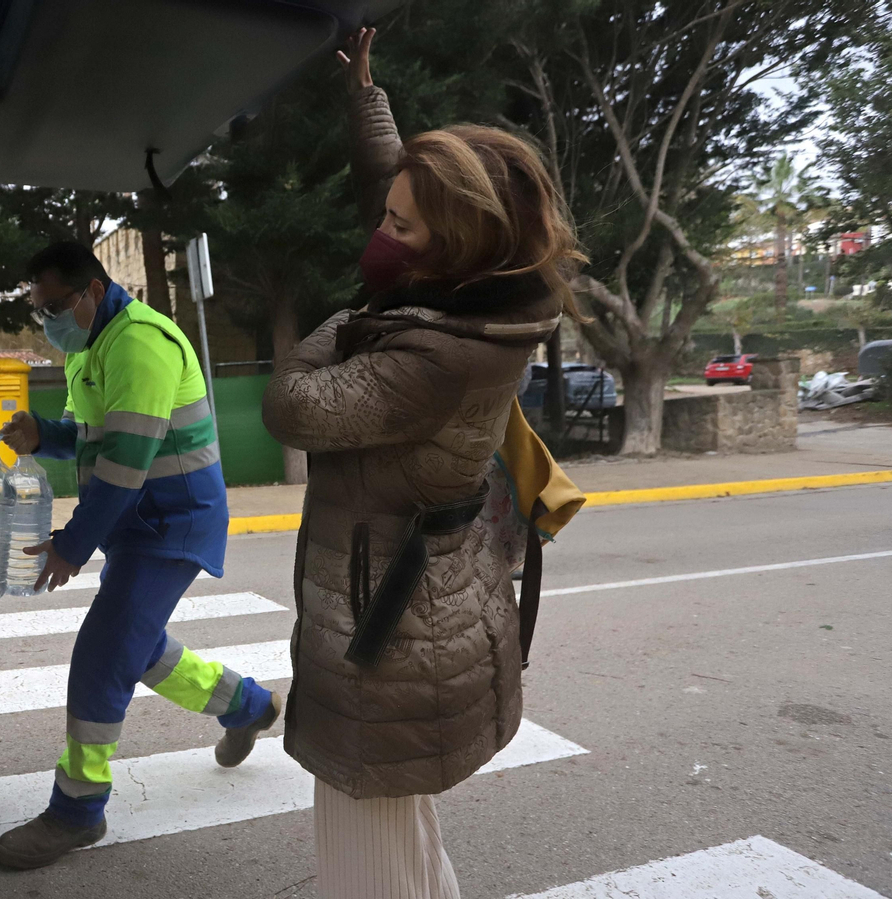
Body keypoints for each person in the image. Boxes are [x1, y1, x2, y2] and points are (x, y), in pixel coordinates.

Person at [260, 28, 586, 899]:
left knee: (361, 831)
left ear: (454, 247)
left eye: (401, 226)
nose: (382, 233)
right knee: (394, 818)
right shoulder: (466, 291)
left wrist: (335, 324)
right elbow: (399, 191)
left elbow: (295, 409)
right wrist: (369, 102)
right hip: (415, 607)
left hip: (393, 626)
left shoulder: (439, 351)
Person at [0, 241, 281, 870]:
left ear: (92, 290)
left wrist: (72, 544)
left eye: (55, 307)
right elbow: (95, 439)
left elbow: (126, 462)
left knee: (103, 652)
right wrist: (47, 435)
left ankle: (76, 810)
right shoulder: (92, 347)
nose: (49, 323)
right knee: (139, 647)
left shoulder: (141, 343)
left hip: (173, 523)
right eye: (40, 311)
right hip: (136, 521)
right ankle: (249, 706)